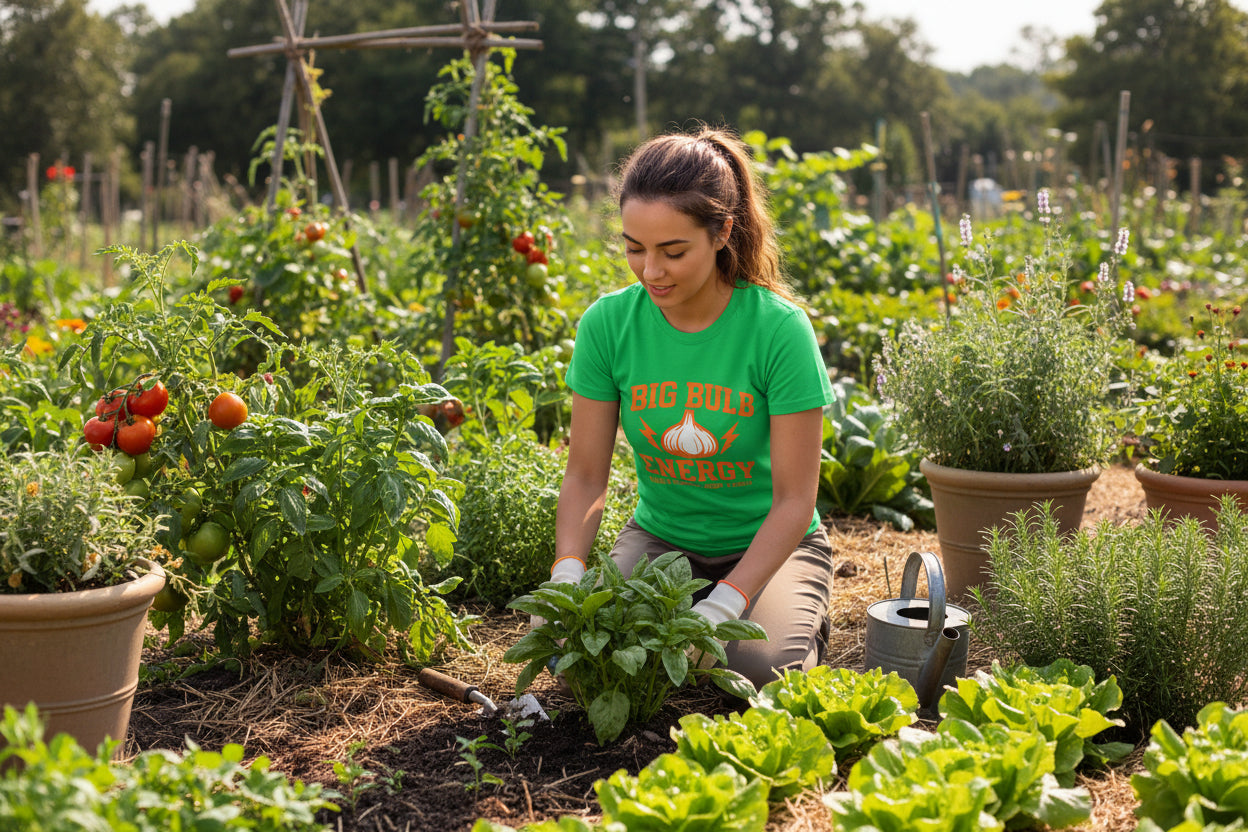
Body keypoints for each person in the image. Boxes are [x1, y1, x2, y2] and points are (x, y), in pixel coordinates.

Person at [543, 124, 835, 690]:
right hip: (662, 540)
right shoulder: (608, 325)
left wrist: (727, 602)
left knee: (754, 673)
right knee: (585, 658)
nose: (651, 271)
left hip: (770, 545)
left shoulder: (777, 330)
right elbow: (584, 476)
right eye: (634, 248)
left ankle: (797, 611)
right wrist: (568, 573)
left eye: (673, 251)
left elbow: (795, 501)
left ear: (722, 231)